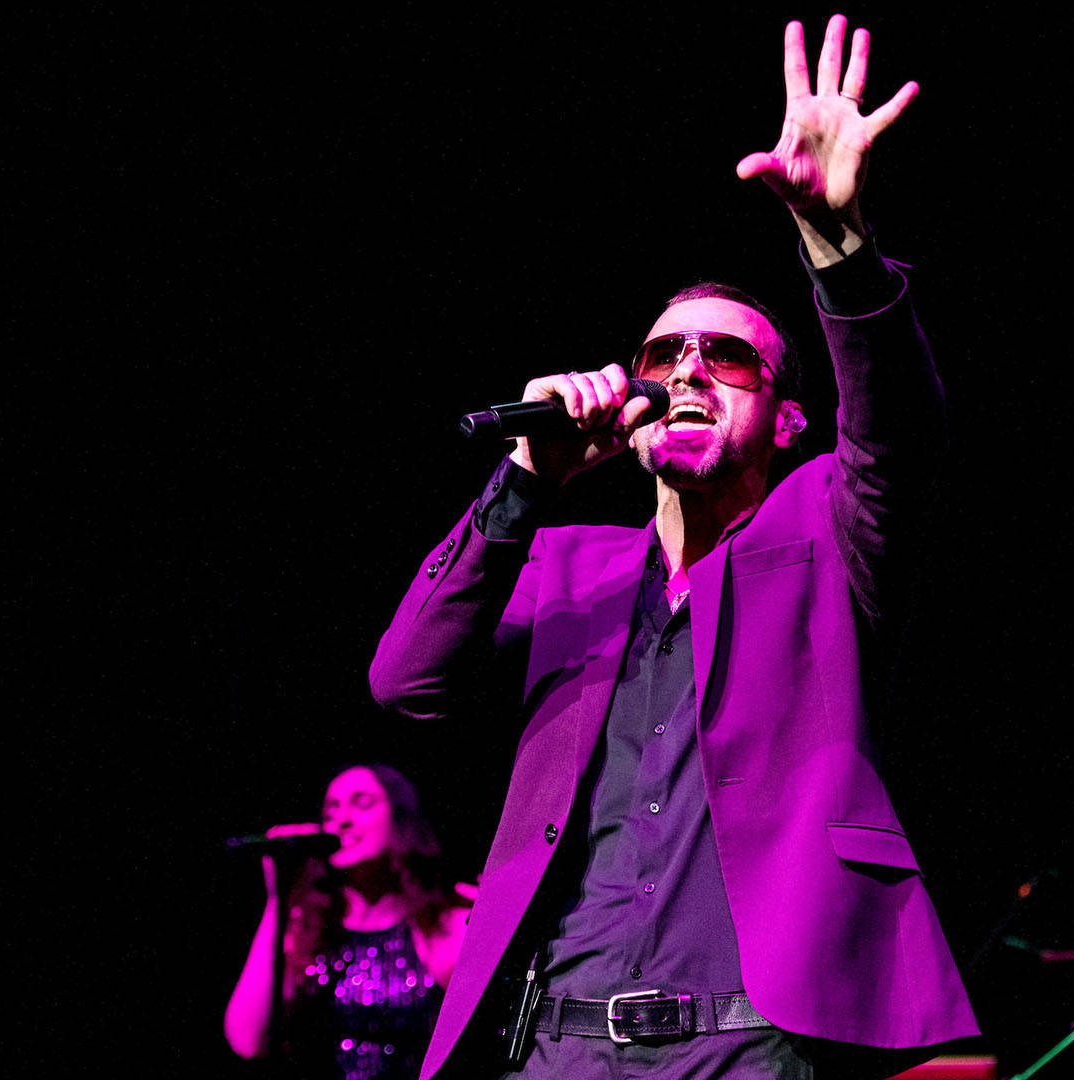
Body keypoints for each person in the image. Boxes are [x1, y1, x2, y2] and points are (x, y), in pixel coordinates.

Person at [367, 13, 978, 1079]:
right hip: (552, 1046)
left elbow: (901, 440)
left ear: (788, 421)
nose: (690, 369)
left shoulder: (825, 533)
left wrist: (838, 245)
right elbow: (407, 681)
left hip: (753, 1044)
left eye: (730, 359)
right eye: (665, 352)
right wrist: (525, 482)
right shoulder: (566, 565)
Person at [224, 763, 473, 1079]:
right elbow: (248, 1041)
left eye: (362, 803)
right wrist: (279, 901)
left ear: (401, 817)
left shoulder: (441, 924)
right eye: (331, 811)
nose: (341, 821)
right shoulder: (307, 930)